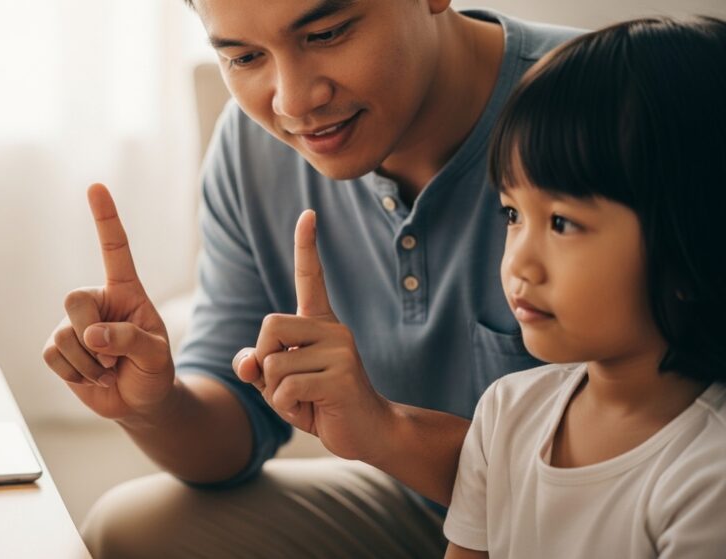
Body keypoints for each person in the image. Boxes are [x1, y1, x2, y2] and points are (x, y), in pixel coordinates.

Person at [43, 1, 577, 556]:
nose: (294, 103)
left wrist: (388, 430)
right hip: (424, 504)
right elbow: (231, 424)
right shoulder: (253, 150)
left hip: (596, 521)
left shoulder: (610, 106)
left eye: (327, 33)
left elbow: (645, 459)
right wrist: (151, 406)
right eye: (246, 56)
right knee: (133, 529)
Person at [442, 16, 726, 559]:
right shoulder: (507, 412)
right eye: (512, 213)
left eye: (562, 223)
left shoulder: (707, 473)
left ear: (694, 239)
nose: (519, 262)